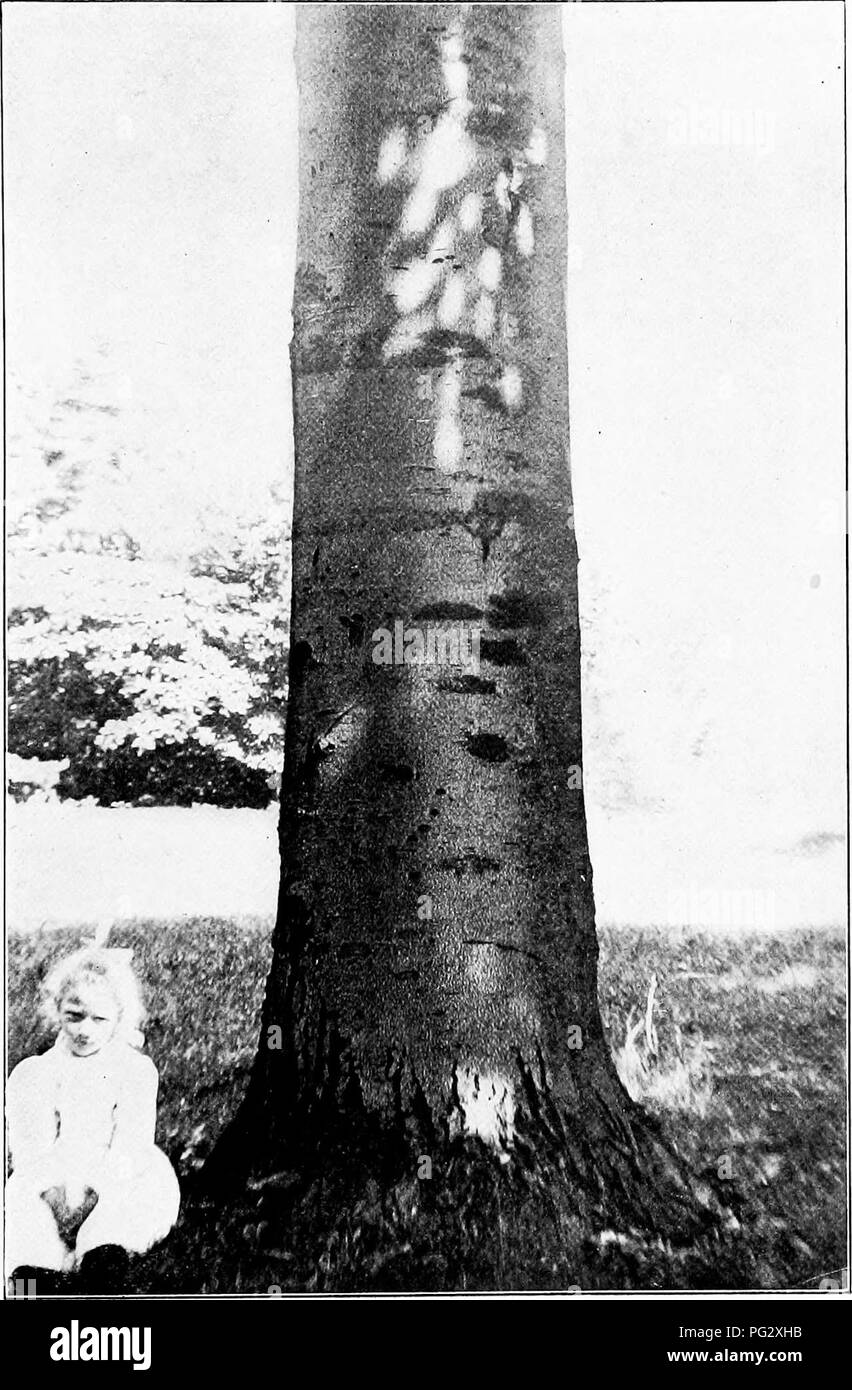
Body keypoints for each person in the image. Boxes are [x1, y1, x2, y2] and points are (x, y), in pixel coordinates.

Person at [6, 945, 180, 1293]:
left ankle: (101, 1268)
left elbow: (131, 1141)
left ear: (119, 1017)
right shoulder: (36, 1072)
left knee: (116, 1215)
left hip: (113, 1172)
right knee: (30, 1221)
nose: (85, 1030)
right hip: (55, 1176)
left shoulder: (133, 1070)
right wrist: (52, 1196)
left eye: (99, 1019)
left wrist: (93, 1199)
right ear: (57, 1008)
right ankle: (37, 1278)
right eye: (74, 1016)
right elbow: (30, 1147)